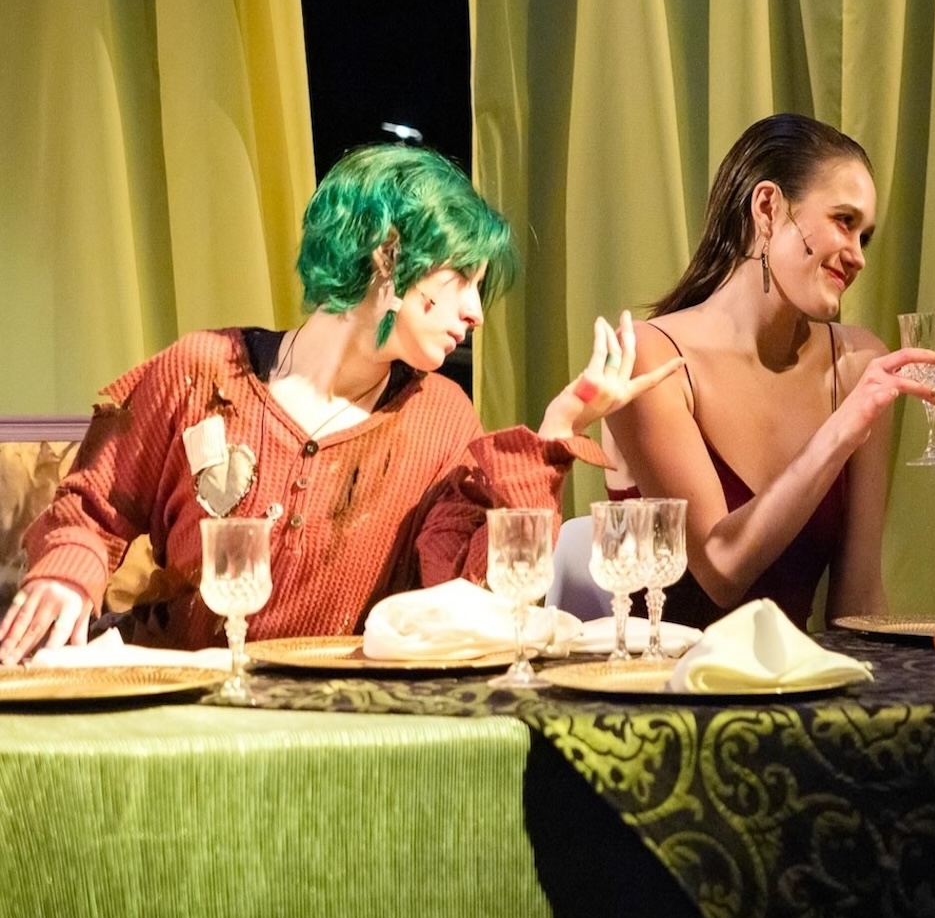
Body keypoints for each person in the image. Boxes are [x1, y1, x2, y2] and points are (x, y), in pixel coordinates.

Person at [0, 145, 678, 662]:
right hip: (177, 707)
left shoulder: (440, 419)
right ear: (387, 257)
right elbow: (93, 507)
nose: (475, 310)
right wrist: (67, 575)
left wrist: (555, 435)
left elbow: (478, 602)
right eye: (461, 278)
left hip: (328, 727)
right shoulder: (206, 373)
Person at [602, 114, 935, 629]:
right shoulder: (650, 359)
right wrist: (842, 430)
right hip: (672, 695)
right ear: (767, 208)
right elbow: (721, 567)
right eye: (843, 221)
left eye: (865, 237)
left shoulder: (857, 366)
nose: (857, 257)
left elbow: (859, 597)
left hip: (798, 694)